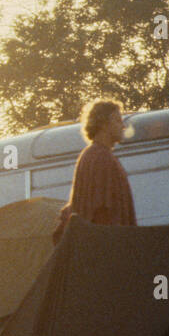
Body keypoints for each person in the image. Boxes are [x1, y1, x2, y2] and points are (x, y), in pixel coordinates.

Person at [53, 99, 136, 243]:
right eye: (117, 120)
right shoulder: (101, 158)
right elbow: (102, 211)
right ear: (104, 125)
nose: (123, 126)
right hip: (106, 248)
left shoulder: (90, 155)